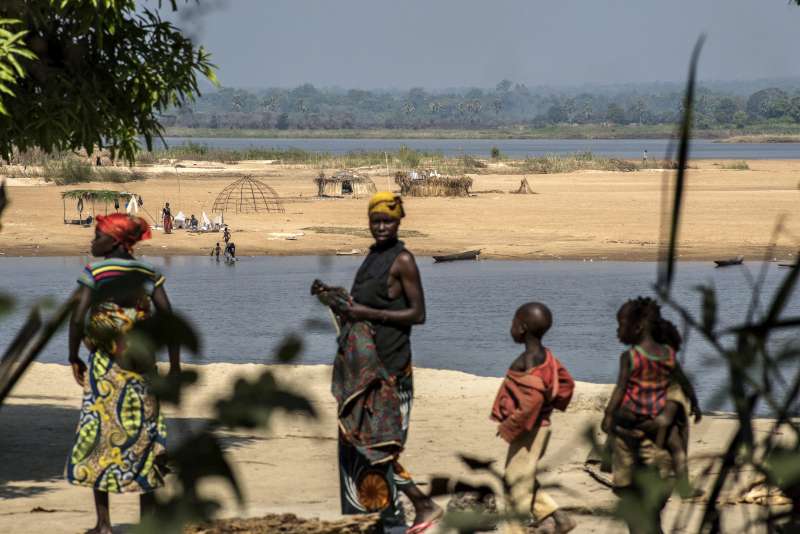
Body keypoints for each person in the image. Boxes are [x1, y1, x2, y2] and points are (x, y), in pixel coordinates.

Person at [330, 192, 441, 533]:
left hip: (392, 371)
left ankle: (408, 512)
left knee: (377, 448)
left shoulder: (403, 260)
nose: (381, 227)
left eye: (387, 221)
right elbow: (360, 303)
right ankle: (379, 519)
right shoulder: (372, 257)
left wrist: (367, 313)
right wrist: (337, 300)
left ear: (399, 222)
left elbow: (418, 314)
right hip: (365, 370)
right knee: (354, 443)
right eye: (375, 221)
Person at [66, 213, 181, 534]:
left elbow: (77, 318)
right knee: (145, 439)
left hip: (105, 368)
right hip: (142, 369)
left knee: (100, 436)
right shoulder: (148, 272)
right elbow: (168, 317)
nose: (92, 242)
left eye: (97, 236)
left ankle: (104, 525)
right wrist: (174, 365)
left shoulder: (97, 272)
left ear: (115, 241)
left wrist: (73, 355)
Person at [601, 297, 701, 533]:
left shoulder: (630, 357)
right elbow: (682, 380)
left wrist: (607, 414)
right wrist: (695, 403)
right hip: (655, 417)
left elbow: (621, 388)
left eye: (621, 325)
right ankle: (684, 481)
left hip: (635, 416)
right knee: (674, 445)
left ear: (637, 328)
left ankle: (608, 464)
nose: (617, 331)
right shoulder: (667, 354)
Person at [491, 303, 576, 534]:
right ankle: (557, 518)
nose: (510, 328)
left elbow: (532, 401)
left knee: (514, 487)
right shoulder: (547, 356)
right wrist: (555, 403)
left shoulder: (526, 361)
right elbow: (566, 382)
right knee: (522, 478)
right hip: (541, 427)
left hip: (529, 431)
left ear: (523, 328)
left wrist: (511, 425)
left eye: (513, 323)